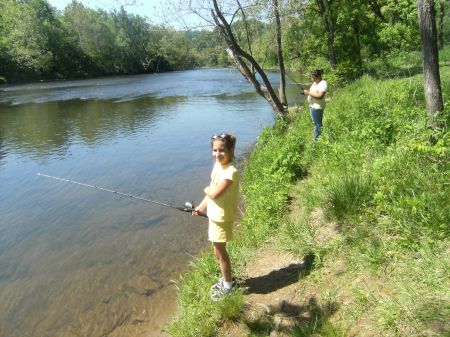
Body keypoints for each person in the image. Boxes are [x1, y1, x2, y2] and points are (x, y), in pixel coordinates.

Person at [192, 133, 239, 301]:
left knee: (221, 252)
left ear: (231, 150)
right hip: (213, 215)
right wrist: (200, 207)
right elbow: (211, 193)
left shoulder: (230, 172)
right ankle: (226, 279)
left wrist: (205, 189)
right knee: (216, 252)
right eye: (215, 150)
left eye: (222, 150)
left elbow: (215, 193)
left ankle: (228, 285)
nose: (218, 154)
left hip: (222, 218)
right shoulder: (218, 166)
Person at [303, 69, 328, 142]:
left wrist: (308, 93)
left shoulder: (323, 83)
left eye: (314, 77)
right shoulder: (315, 83)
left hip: (317, 107)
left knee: (317, 124)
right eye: (312, 77)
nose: (313, 79)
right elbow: (313, 92)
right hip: (312, 106)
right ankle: (317, 139)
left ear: (319, 76)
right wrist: (306, 93)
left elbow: (320, 96)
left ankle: (316, 141)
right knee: (316, 123)